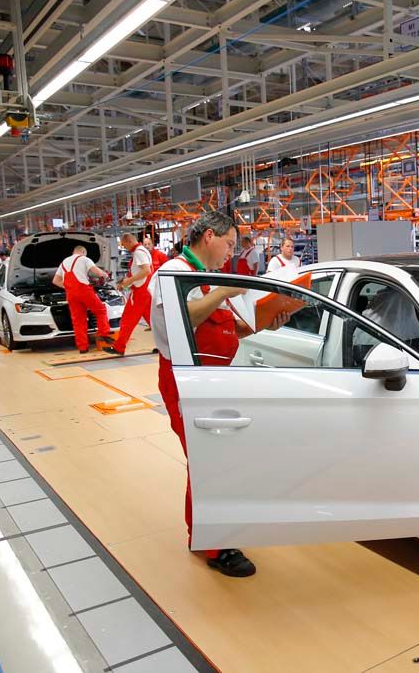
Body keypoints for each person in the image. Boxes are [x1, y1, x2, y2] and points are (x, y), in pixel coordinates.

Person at [149, 211, 290, 577]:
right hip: (186, 381)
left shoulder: (208, 282)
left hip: (214, 380)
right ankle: (216, 546)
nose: (231, 251)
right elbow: (185, 318)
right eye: (229, 243)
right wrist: (228, 288)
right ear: (209, 236)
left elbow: (228, 331)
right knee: (208, 462)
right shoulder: (174, 273)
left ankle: (204, 535)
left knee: (209, 461)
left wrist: (264, 323)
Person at [52, 245, 113, 353]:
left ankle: (83, 348)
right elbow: (97, 272)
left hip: (71, 294)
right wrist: (105, 275)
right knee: (100, 310)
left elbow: (55, 281)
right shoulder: (84, 259)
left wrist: (69, 287)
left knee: (78, 321)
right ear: (83, 252)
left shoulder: (64, 262)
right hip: (84, 290)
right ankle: (104, 334)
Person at [104, 233, 153, 356]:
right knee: (154, 321)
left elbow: (147, 270)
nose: (124, 247)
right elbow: (138, 272)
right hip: (145, 290)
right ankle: (168, 346)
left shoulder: (139, 253)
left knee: (127, 319)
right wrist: (125, 283)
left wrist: (129, 281)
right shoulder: (140, 251)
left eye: (124, 244)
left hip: (141, 292)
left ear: (129, 241)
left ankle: (119, 347)